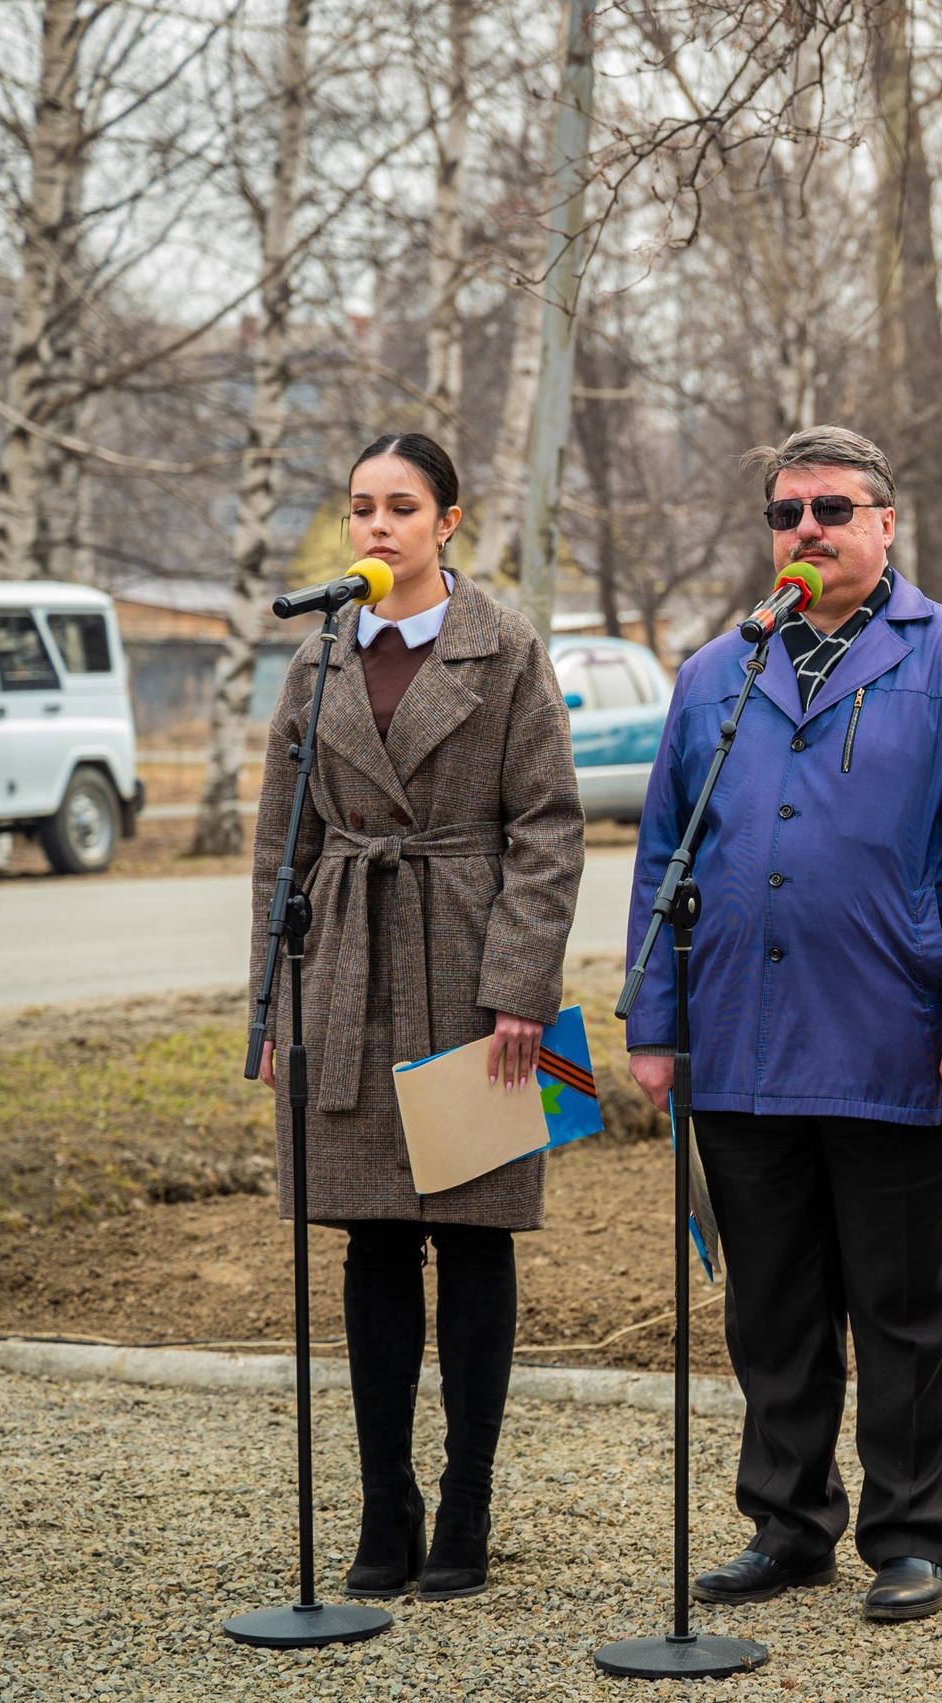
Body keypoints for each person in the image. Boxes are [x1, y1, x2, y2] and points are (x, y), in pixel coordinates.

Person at [623, 425, 942, 1624]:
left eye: (830, 509)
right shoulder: (720, 669)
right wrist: (654, 1019)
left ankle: (909, 1533)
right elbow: (667, 848)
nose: (805, 531)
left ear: (883, 524)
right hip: (742, 1044)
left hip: (898, 1040)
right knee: (771, 1303)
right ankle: (786, 1522)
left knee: (905, 1305)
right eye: (785, 514)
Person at [250, 432, 584, 1602]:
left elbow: (547, 825)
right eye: (360, 508)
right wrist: (272, 1006)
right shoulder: (322, 655)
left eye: (401, 506)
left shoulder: (504, 650)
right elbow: (277, 850)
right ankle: (383, 1500)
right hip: (344, 970)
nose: (377, 527)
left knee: (474, 1238)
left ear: (450, 521)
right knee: (372, 1237)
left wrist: (518, 990)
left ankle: (469, 1498)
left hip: (467, 974)